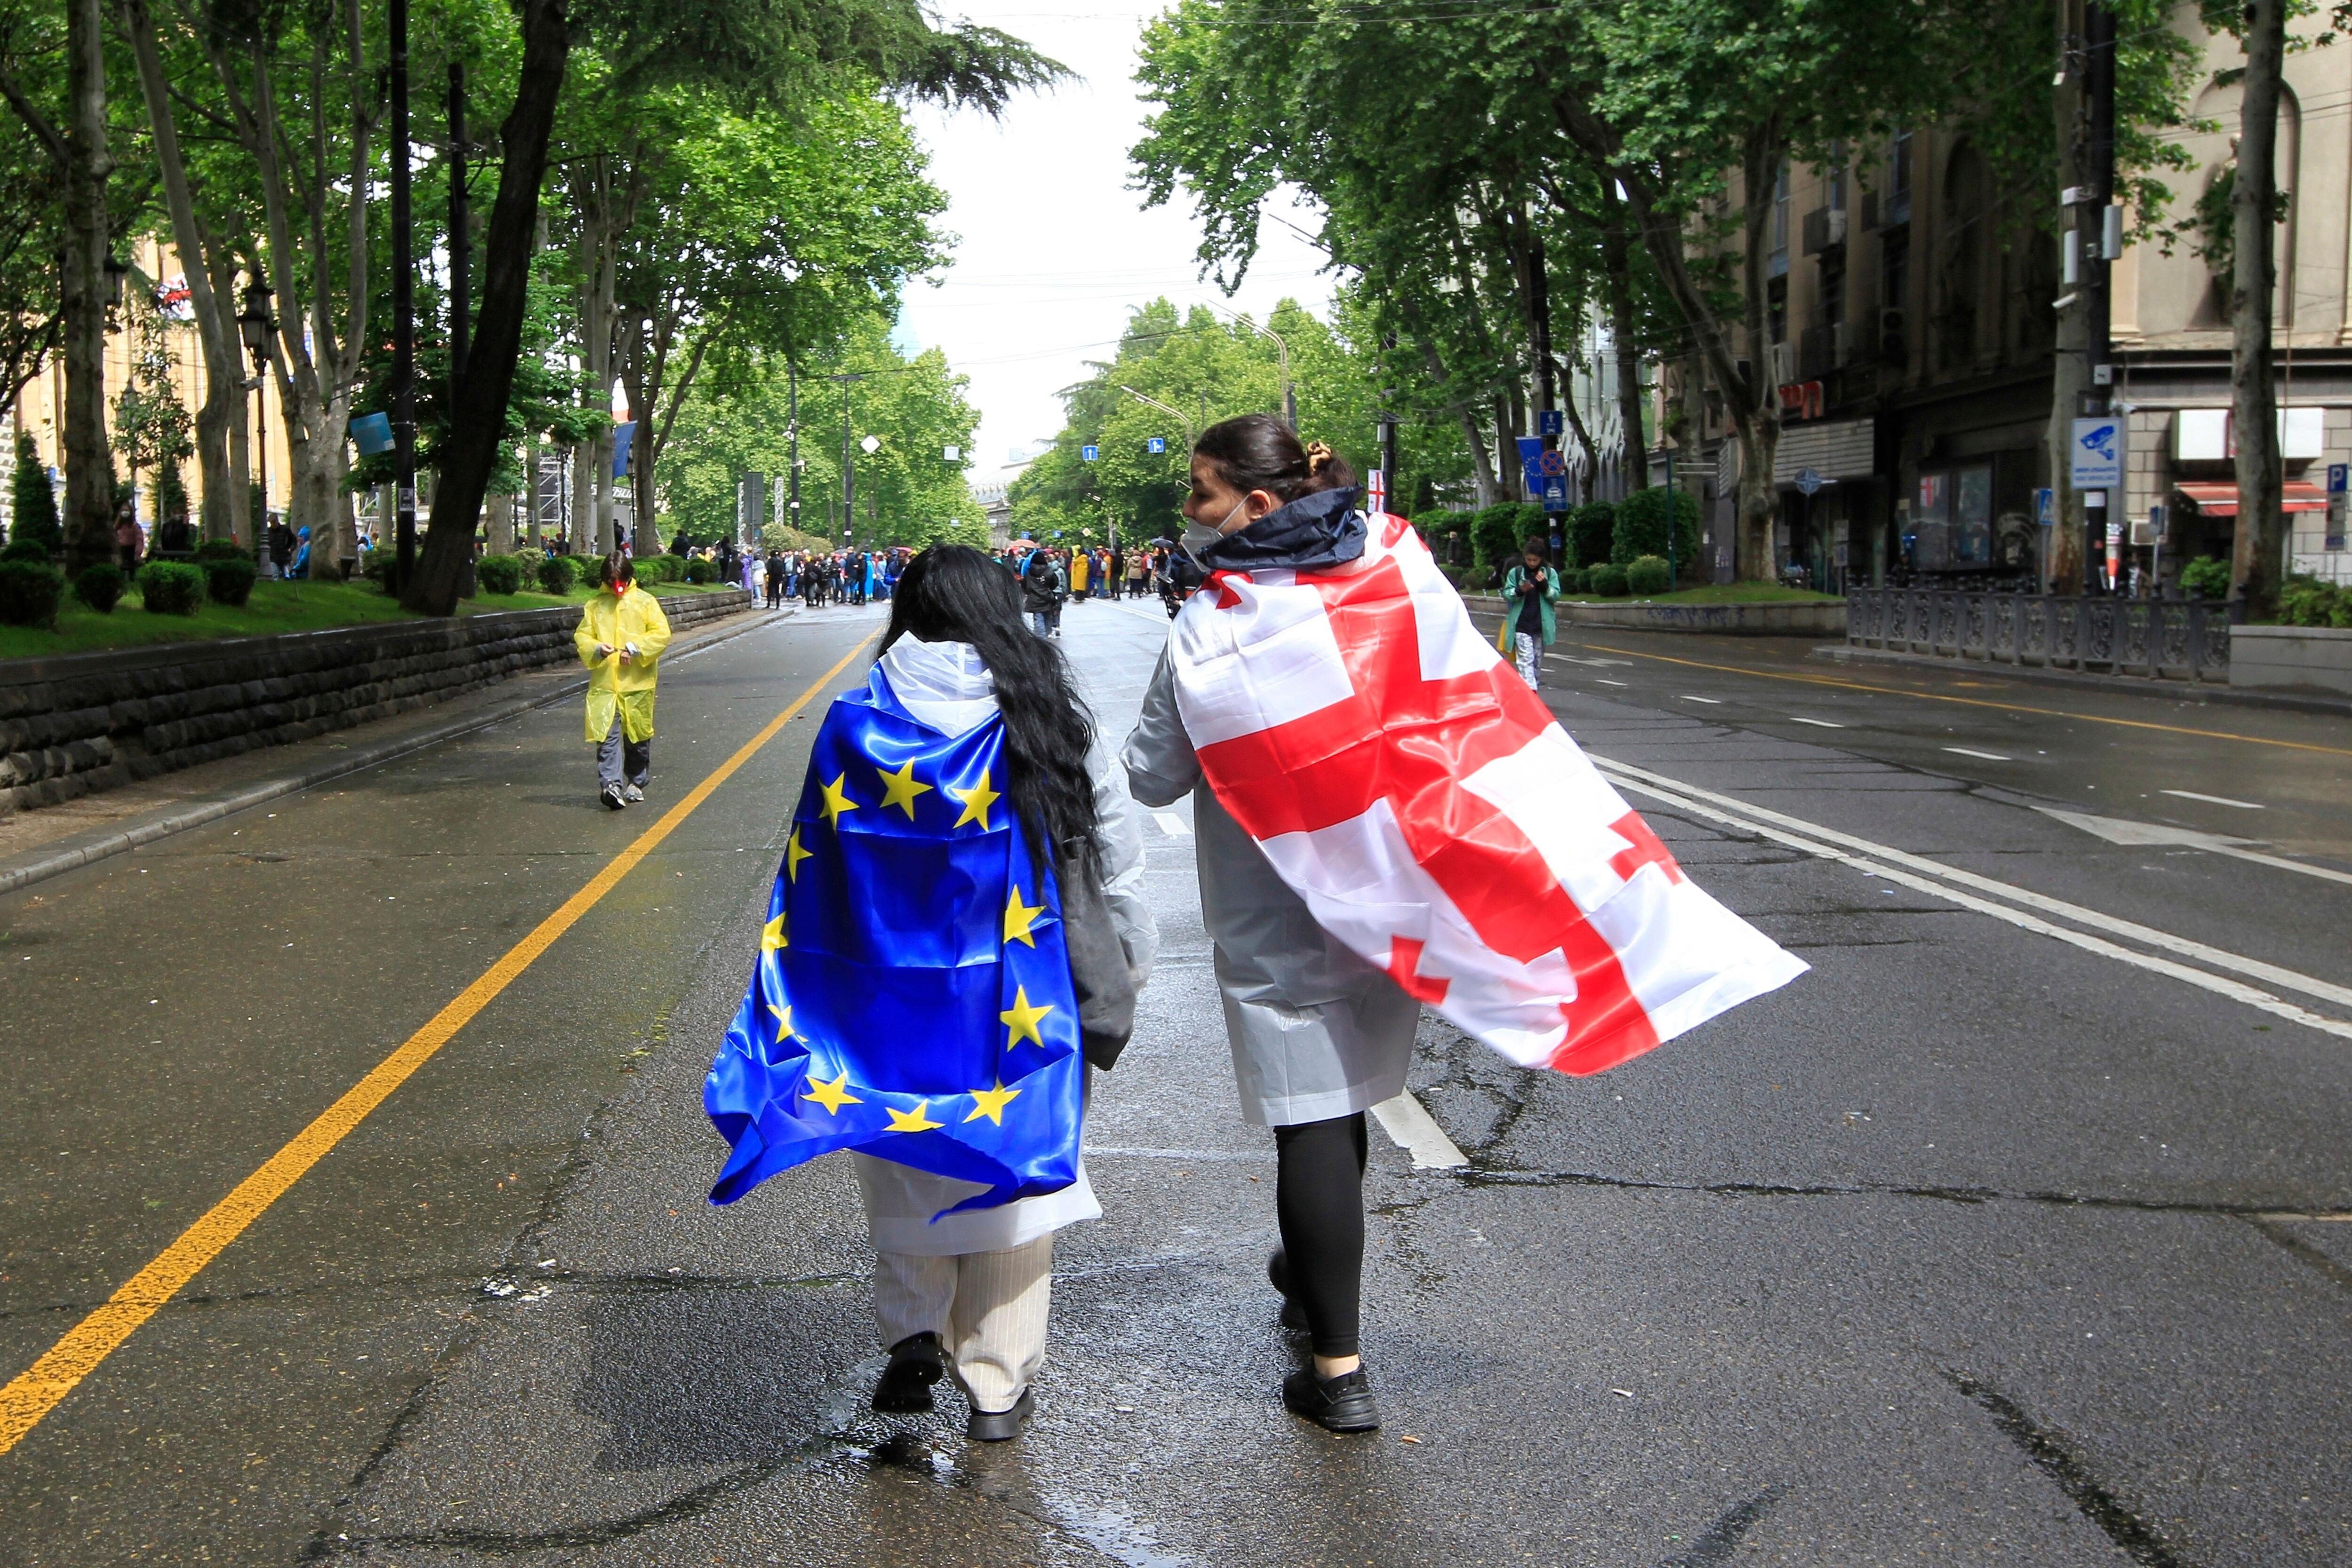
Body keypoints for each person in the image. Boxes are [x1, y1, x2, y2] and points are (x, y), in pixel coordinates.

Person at [703, 544, 1155, 1442]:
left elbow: (814, 863)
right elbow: (1112, 856)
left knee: (899, 1146)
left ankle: (911, 1327)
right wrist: (1126, 966)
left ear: (905, 608)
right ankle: (996, 1381)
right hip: (1022, 998)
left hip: (881, 996)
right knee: (1013, 1167)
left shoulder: (854, 719)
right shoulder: (1046, 718)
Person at [1121, 419, 1401, 1434]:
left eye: (1201, 492)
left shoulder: (1213, 625)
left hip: (1273, 911)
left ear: (1260, 506)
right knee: (1349, 1093)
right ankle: (1306, 1270)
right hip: (1385, 895)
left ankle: (1337, 1370)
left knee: (1312, 1115)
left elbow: (1149, 773)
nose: (1189, 511)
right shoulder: (1384, 595)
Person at [575, 551, 673, 811]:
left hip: (638, 685)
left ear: (629, 578)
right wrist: (597, 648)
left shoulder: (645, 602)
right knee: (606, 736)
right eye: (610, 581)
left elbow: (661, 634)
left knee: (637, 738)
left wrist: (636, 648)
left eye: (619, 580)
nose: (615, 586)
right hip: (606, 686)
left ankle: (637, 782)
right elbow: (583, 637)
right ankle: (611, 785)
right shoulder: (595, 606)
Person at [1501, 540, 1559, 690]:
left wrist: (1545, 586)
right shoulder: (1517, 573)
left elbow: (1555, 595)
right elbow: (1507, 594)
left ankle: (1532, 690)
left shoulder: (1550, 573)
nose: (1532, 563)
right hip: (1521, 624)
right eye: (1529, 559)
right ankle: (1530, 693)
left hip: (1541, 624)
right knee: (1525, 660)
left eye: (1536, 560)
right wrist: (1520, 590)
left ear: (1541, 559)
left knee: (1536, 662)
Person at [1017, 543, 1064, 637]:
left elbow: (1024, 586)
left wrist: (1029, 592)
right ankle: (1048, 633)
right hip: (1047, 598)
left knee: (1038, 618)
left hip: (1034, 599)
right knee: (1048, 616)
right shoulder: (1049, 571)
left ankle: (1041, 637)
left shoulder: (1029, 573)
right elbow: (1055, 583)